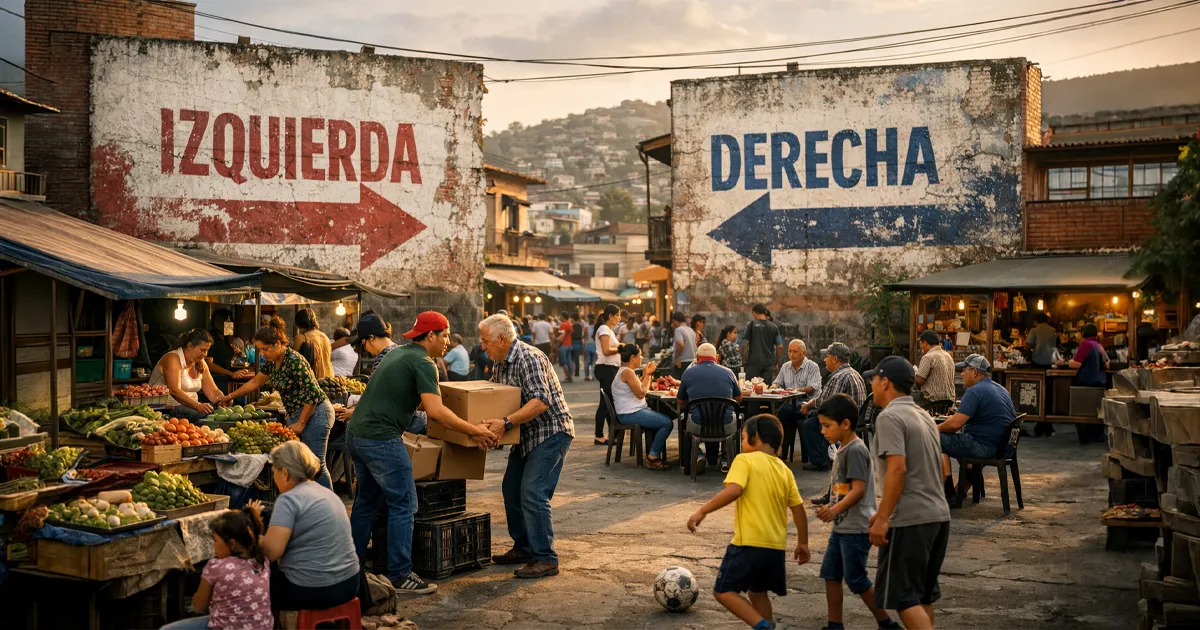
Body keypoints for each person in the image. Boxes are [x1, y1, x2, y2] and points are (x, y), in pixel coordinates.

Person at [346, 311, 496, 593]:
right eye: (445, 335)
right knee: (404, 504)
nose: (448, 341)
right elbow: (436, 412)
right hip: (381, 438)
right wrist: (474, 431)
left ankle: (351, 566)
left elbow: (409, 400)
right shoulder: (424, 363)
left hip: (357, 434)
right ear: (430, 336)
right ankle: (400, 574)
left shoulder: (398, 354)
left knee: (366, 502)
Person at [686, 415, 809, 630]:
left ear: (756, 437)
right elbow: (798, 509)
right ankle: (766, 624)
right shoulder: (785, 470)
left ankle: (763, 626)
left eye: (743, 438)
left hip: (749, 543)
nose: (742, 443)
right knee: (757, 592)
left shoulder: (745, 460)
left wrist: (702, 511)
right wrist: (803, 542)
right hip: (775, 546)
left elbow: (734, 490)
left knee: (723, 591)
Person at [478, 314, 575, 579]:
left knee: (533, 492)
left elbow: (540, 401)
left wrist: (506, 423)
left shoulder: (528, 357)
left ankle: (545, 558)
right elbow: (495, 398)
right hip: (526, 435)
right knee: (511, 489)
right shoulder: (500, 362)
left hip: (550, 432)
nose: (482, 346)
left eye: (485, 341)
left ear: (501, 339)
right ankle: (523, 547)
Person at [863, 356, 951, 630]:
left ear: (885, 382)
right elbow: (938, 468)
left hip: (911, 519)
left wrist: (884, 518)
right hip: (938, 516)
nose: (872, 384)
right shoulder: (924, 417)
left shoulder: (889, 417)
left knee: (903, 598)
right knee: (922, 595)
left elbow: (897, 470)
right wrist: (884, 511)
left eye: (874, 379)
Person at [815, 394, 900, 630]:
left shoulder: (855, 450)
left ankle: (887, 623)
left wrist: (834, 510)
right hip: (842, 526)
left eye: (827, 426)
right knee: (831, 575)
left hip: (856, 528)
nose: (823, 431)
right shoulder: (843, 449)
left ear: (845, 424)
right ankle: (835, 625)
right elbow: (843, 489)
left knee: (856, 579)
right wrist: (833, 508)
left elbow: (859, 490)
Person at [221, 317, 335, 488]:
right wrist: (230, 396)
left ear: (279, 343)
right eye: (260, 350)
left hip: (316, 412)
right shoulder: (272, 362)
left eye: (265, 349)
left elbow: (312, 394)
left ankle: (327, 503)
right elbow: (255, 382)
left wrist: (301, 423)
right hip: (297, 413)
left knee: (316, 464)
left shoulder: (294, 360)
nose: (263, 353)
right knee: (299, 464)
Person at [259, 441, 361, 612]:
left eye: (274, 471)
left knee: (249, 580)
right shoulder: (327, 493)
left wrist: (252, 538)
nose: (274, 477)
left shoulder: (288, 500)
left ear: (285, 473)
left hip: (313, 590)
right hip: (350, 584)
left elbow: (271, 552)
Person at [162, 506, 271, 630]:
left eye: (215, 540)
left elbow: (199, 606)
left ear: (231, 544)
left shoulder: (216, 566)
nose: (213, 546)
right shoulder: (262, 561)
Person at [938, 354, 1016, 505]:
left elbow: (955, 425)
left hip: (986, 447)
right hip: (1004, 446)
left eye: (964, 370)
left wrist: (933, 428)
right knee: (960, 439)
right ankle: (964, 486)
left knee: (936, 439)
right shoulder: (1001, 389)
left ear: (974, 372)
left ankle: (949, 493)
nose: (962, 374)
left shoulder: (974, 391)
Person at [800, 343, 867, 475]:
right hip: (857, 417)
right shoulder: (855, 373)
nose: (825, 359)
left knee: (809, 424)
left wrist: (809, 405)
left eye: (827, 356)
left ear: (835, 359)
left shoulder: (838, 377)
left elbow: (827, 404)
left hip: (842, 419)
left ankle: (820, 461)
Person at [677, 343, 743, 474]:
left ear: (697, 357)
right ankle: (726, 460)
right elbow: (739, 397)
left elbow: (680, 401)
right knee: (732, 415)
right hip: (725, 425)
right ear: (716, 357)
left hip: (698, 424)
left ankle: (698, 455)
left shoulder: (688, 373)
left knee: (683, 419)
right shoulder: (728, 372)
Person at [611, 343, 673, 470]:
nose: (642, 358)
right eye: (640, 356)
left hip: (631, 411)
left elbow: (639, 389)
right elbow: (641, 394)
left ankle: (653, 453)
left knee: (662, 418)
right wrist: (648, 374)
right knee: (667, 423)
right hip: (629, 413)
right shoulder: (627, 372)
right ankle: (653, 457)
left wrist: (645, 375)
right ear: (632, 357)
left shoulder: (627, 371)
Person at [149, 329, 226, 422]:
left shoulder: (201, 362)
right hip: (167, 408)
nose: (205, 354)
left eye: (207, 350)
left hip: (192, 409)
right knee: (209, 416)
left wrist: (222, 400)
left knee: (221, 413)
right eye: (202, 350)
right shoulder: (172, 358)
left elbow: (212, 391)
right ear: (190, 346)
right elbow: (174, 390)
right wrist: (197, 405)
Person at [772, 340, 823, 454]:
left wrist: (795, 391)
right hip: (791, 403)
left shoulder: (812, 366)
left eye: (795, 351)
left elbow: (813, 387)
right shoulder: (785, 366)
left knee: (780, 412)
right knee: (779, 410)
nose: (791, 354)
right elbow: (777, 382)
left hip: (808, 402)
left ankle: (774, 448)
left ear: (804, 353)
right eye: (789, 351)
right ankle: (780, 450)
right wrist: (773, 387)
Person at [592, 305, 623, 446]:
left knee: (610, 401)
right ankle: (599, 435)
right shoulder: (604, 329)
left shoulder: (608, 330)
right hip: (606, 369)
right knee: (605, 404)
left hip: (610, 369)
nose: (619, 318)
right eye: (617, 315)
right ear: (610, 316)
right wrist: (621, 348)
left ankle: (613, 433)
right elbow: (606, 350)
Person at [205, 308, 252, 394]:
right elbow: (209, 364)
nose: (230, 325)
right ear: (218, 323)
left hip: (227, 378)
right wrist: (230, 373)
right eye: (228, 322)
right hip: (216, 380)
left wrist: (239, 355)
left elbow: (232, 358)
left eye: (231, 323)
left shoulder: (227, 338)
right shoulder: (211, 338)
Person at [914, 330, 956, 412]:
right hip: (949, 402)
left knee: (908, 397)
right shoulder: (948, 356)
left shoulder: (928, 357)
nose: (921, 347)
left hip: (932, 402)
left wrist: (914, 375)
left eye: (921, 344)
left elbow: (919, 381)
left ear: (925, 343)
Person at [742, 304, 783, 381]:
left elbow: (744, 345)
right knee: (766, 387)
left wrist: (744, 362)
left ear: (755, 312)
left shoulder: (751, 325)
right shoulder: (774, 327)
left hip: (753, 364)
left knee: (752, 386)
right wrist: (776, 363)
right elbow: (780, 346)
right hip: (768, 364)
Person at [293, 308, 334, 380]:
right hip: (329, 378)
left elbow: (293, 361)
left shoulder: (301, 338)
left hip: (313, 380)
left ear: (297, 324)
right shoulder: (324, 336)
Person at [672, 311, 698, 378]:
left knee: (678, 382)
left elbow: (680, 344)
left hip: (682, 363)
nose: (673, 324)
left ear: (675, 321)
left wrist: (677, 358)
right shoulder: (691, 330)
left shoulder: (678, 330)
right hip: (692, 362)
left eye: (673, 322)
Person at [557, 313, 575, 383]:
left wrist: (557, 342)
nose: (559, 317)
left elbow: (562, 335)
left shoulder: (563, 324)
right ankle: (569, 375)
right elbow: (571, 333)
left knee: (563, 361)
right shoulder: (569, 324)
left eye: (560, 316)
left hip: (564, 345)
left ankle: (567, 376)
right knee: (569, 360)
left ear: (563, 316)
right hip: (569, 344)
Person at [570, 312, 585, 379]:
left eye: (571, 318)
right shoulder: (580, 326)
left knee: (571, 358)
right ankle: (577, 372)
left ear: (573, 319)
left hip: (572, 342)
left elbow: (570, 335)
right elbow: (582, 335)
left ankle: (571, 371)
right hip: (578, 343)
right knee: (576, 358)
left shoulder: (571, 326)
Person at [582, 317, 597, 382]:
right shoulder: (596, 328)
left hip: (587, 345)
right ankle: (594, 376)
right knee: (594, 362)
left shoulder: (586, 327)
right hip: (594, 346)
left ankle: (587, 376)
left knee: (587, 362)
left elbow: (582, 336)